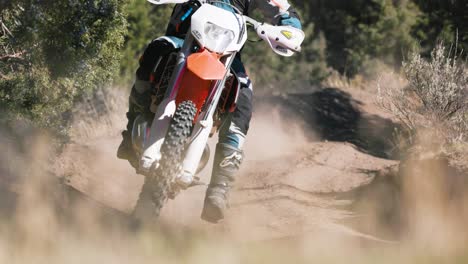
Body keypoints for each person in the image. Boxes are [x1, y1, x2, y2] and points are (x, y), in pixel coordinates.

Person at [118, 0, 302, 223]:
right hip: (182, 40)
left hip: (226, 54)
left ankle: (220, 185)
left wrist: (289, 26)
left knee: (243, 92)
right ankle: (131, 132)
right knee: (155, 50)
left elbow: (281, 7)